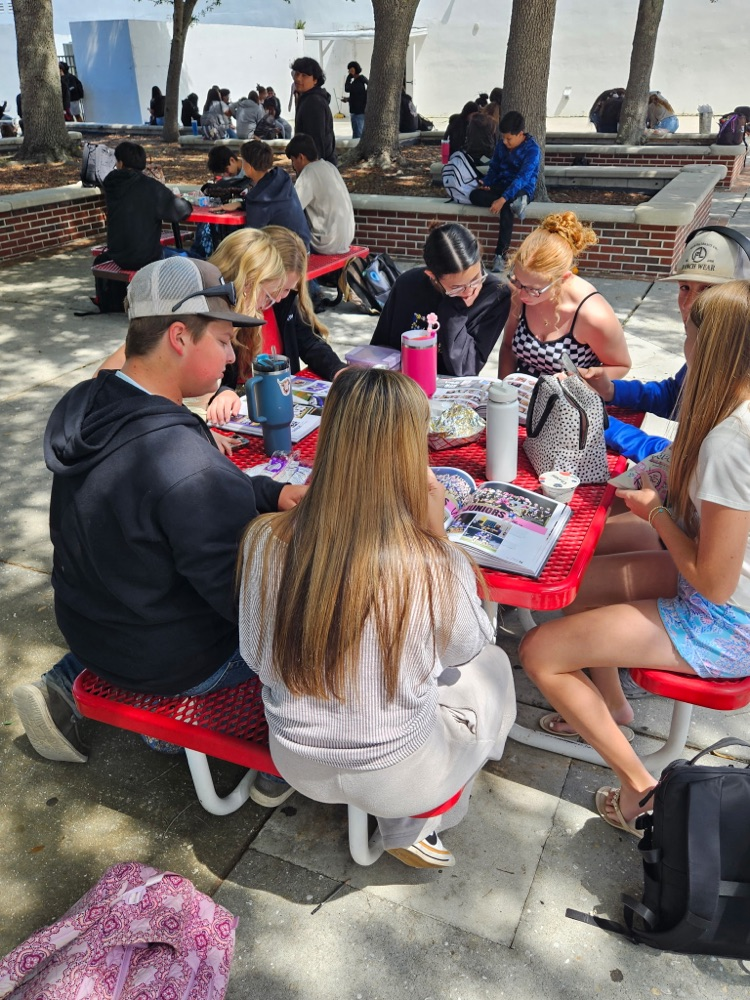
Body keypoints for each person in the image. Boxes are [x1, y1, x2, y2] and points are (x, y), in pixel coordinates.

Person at [12, 256, 306, 805]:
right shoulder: (182, 462)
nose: (230, 355)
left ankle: (106, 698)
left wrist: (267, 493)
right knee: (321, 624)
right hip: (172, 664)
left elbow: (171, 506)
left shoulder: (94, 401)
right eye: (221, 340)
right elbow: (249, 607)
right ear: (178, 336)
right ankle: (280, 757)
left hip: (95, 633)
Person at [238, 366, 516, 868]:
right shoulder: (429, 559)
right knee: (494, 666)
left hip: (296, 762)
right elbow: (467, 647)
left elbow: (255, 655)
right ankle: (419, 822)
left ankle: (405, 815)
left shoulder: (263, 539)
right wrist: (439, 540)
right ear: (412, 452)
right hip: (400, 775)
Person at [520, 279, 750, 836]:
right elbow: (675, 466)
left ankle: (640, 789)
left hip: (727, 622)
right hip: (724, 597)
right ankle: (612, 706)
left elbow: (714, 583)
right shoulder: (731, 417)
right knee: (579, 583)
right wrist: (636, 480)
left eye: (688, 336)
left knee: (540, 651)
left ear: (709, 348)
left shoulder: (730, 444)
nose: (683, 348)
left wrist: (654, 514)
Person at [584, 227, 750, 462]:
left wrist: (606, 426)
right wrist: (611, 390)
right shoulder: (701, 344)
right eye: (685, 288)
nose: (689, 304)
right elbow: (677, 396)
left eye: (708, 290)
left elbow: (691, 463)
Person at [207, 226, 346, 427]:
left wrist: (337, 369)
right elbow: (209, 377)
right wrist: (222, 391)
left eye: (288, 289)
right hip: (241, 409)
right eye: (277, 290)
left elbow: (309, 342)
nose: (280, 297)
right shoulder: (224, 311)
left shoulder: (284, 302)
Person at [498, 211, 631, 381]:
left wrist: (577, 380)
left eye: (533, 289)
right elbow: (509, 347)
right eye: (518, 281)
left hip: (570, 400)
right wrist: (503, 392)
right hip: (523, 395)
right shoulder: (519, 289)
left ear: (564, 278)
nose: (522, 293)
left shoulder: (592, 314)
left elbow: (620, 366)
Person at [370, 222, 511, 377]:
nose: (470, 291)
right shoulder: (408, 284)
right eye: (458, 287)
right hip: (404, 386)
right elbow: (380, 349)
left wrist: (455, 307)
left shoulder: (495, 294)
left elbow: (466, 367)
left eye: (477, 278)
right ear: (432, 276)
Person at [98, 141, 192, 272]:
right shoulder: (150, 187)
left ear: (120, 163)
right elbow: (181, 211)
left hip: (118, 255)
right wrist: (183, 201)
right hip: (147, 257)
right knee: (197, 260)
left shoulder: (111, 184)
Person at [469, 111, 542, 272]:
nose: (505, 142)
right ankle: (516, 204)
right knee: (474, 195)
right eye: (503, 138)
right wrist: (487, 182)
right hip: (501, 185)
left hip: (521, 188)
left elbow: (523, 177)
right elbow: (494, 168)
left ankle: (500, 256)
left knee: (508, 205)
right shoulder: (501, 146)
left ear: (520, 134)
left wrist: (502, 199)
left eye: (509, 139)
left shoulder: (533, 150)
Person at [285, 133, 355, 255]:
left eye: (293, 160)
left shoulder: (309, 172)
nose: (293, 166)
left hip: (326, 243)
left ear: (301, 157)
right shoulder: (330, 166)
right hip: (346, 238)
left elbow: (292, 208)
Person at [239, 141, 311, 248]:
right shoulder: (282, 178)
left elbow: (251, 237)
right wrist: (241, 204)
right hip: (304, 247)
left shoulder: (258, 199)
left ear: (249, 167)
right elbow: (274, 207)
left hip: (289, 257)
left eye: (243, 160)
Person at [291, 57, 336, 165]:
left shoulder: (313, 102)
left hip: (315, 169)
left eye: (304, 76)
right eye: (297, 74)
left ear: (315, 80)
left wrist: (313, 171)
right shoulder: (308, 98)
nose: (298, 79)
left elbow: (315, 143)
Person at [342, 61, 368, 139]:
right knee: (357, 132)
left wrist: (349, 77)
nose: (349, 72)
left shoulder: (358, 82)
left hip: (358, 112)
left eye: (351, 70)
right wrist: (348, 99)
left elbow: (347, 88)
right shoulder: (359, 82)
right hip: (357, 111)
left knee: (357, 134)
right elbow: (357, 96)